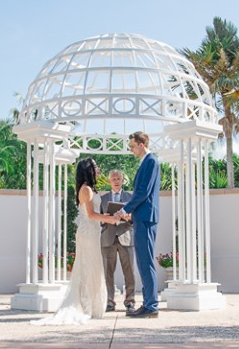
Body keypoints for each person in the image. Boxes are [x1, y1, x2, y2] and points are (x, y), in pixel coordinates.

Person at [31, 158, 120, 325]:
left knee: (93, 266)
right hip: (87, 233)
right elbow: (91, 215)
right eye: (95, 167)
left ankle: (92, 306)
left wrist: (111, 216)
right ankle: (85, 306)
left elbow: (95, 213)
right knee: (87, 267)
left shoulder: (90, 188)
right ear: (89, 170)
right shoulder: (85, 189)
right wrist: (110, 220)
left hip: (93, 232)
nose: (98, 169)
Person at [115, 131, 161, 319]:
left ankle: (151, 306)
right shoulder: (146, 162)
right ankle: (148, 304)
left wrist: (124, 210)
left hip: (146, 217)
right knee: (142, 261)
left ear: (142, 144)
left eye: (132, 146)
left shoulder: (151, 161)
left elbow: (142, 192)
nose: (131, 150)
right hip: (142, 217)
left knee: (146, 260)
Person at [100, 170, 136, 313]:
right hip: (108, 238)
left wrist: (129, 217)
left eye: (118, 178)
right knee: (108, 272)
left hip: (125, 237)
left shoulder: (130, 197)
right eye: (113, 179)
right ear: (110, 181)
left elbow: (135, 217)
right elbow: (98, 219)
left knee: (129, 272)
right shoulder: (103, 198)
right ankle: (109, 302)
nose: (116, 181)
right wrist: (106, 217)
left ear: (122, 180)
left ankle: (130, 301)